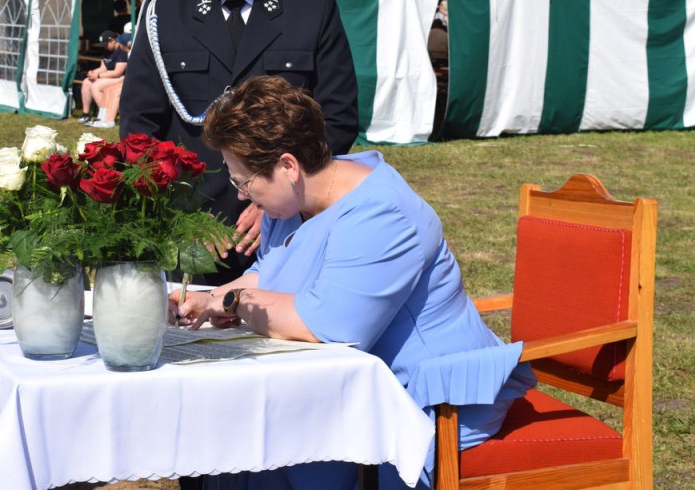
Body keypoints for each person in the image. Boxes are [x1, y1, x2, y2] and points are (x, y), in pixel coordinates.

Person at [171, 76, 536, 490]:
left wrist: (234, 303)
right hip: (342, 386)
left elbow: (324, 327)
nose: (240, 195)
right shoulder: (295, 201)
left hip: (425, 401)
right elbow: (266, 273)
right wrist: (205, 299)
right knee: (227, 438)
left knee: (262, 445)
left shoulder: (384, 216)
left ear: (289, 166)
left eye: (244, 181)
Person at [119, 0, 359, 286]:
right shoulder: (165, 12)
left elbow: (337, 119)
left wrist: (276, 201)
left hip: (286, 226)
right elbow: (139, 129)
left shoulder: (310, 8)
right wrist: (177, 217)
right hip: (189, 229)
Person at [78, 31, 128, 128]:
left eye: (106, 44)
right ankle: (86, 115)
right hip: (109, 77)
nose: (105, 47)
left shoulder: (122, 51)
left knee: (96, 86)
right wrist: (93, 72)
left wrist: (99, 76)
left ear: (113, 40)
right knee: (86, 82)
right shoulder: (107, 51)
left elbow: (118, 72)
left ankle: (107, 115)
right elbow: (103, 68)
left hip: (120, 78)